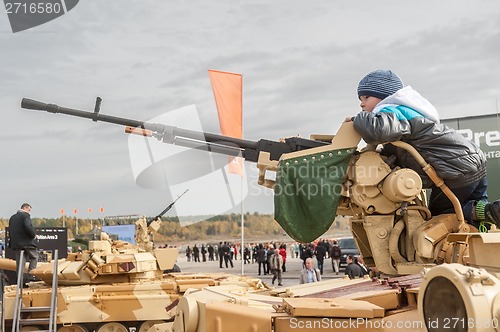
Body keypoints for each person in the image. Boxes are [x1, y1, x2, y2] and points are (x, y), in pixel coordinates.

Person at [345, 69, 500, 231]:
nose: (362, 104)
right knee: (478, 212)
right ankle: (482, 237)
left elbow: (377, 130)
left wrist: (357, 120)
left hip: (457, 169)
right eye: (360, 100)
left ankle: (487, 215)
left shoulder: (391, 111)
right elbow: (400, 152)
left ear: (385, 96)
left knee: (440, 216)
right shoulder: (409, 113)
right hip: (470, 162)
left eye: (366, 98)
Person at [8, 203, 38, 286]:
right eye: (29, 210)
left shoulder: (12, 218)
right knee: (34, 257)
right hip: (27, 243)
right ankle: (31, 276)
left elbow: (10, 231)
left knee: (20, 263)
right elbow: (28, 227)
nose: (29, 212)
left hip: (17, 244)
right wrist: (33, 235)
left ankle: (20, 283)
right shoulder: (26, 216)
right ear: (25, 208)